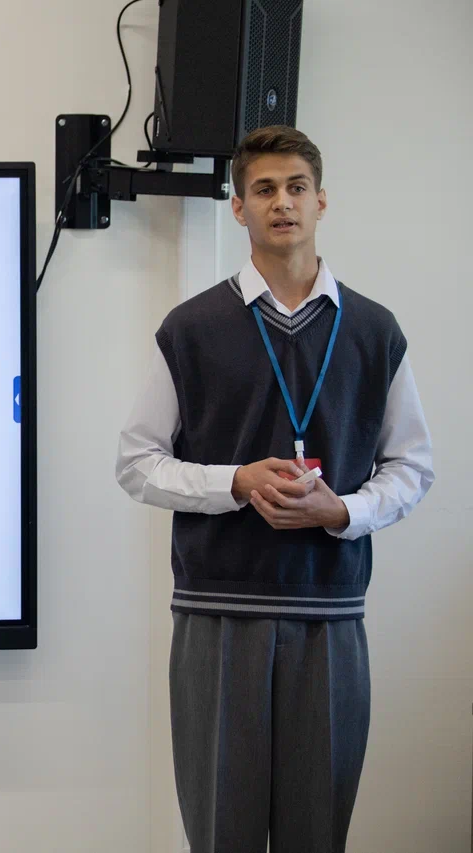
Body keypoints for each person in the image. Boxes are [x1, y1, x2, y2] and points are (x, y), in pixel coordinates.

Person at [115, 125, 435, 852]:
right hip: (217, 612)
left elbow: (412, 466)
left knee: (316, 833)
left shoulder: (375, 331)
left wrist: (343, 509)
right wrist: (234, 481)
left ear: (321, 201)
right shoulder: (191, 328)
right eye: (263, 189)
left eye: (296, 187)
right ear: (239, 208)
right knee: (220, 831)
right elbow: (137, 461)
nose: (281, 202)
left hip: (330, 613)